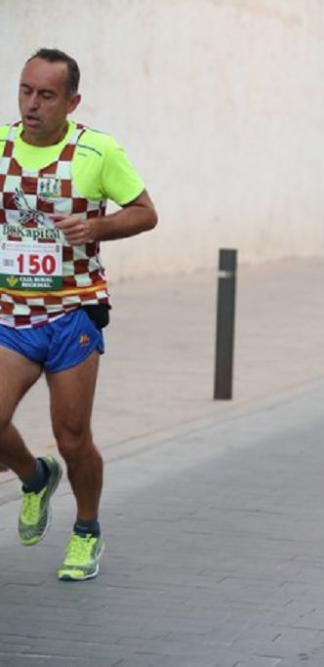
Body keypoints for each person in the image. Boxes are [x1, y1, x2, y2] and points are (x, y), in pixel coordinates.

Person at [0, 49, 157, 581]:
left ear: (72, 101)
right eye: (25, 90)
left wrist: (96, 228)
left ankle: (86, 528)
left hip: (73, 314)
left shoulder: (96, 150)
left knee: (72, 438)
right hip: (11, 315)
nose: (31, 104)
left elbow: (145, 212)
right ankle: (33, 477)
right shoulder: (1, 146)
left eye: (46, 95)